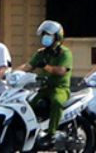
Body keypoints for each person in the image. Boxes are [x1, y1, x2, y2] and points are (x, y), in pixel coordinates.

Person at [29, 20, 74, 148]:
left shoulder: (65, 53)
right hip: (44, 88)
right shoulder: (41, 53)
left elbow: (61, 70)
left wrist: (45, 66)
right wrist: (14, 72)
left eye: (48, 35)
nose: (45, 38)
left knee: (56, 102)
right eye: (43, 35)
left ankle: (51, 134)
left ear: (57, 37)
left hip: (60, 88)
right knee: (29, 104)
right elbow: (29, 65)